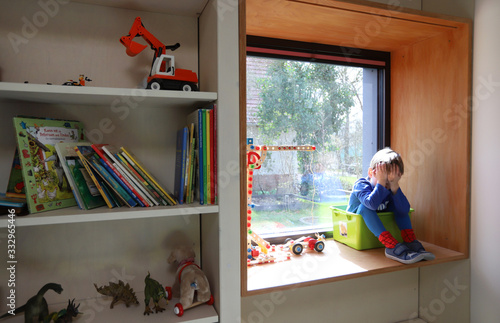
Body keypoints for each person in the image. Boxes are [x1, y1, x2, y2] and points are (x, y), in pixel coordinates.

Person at [347, 147, 434, 264]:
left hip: (376, 226)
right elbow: (371, 205)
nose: (386, 185)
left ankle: (410, 241)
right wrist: (381, 183)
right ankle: (391, 246)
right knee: (365, 207)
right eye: (384, 181)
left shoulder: (390, 187)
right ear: (370, 173)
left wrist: (395, 186)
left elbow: (404, 210)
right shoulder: (361, 185)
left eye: (391, 181)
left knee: (398, 205)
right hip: (356, 229)